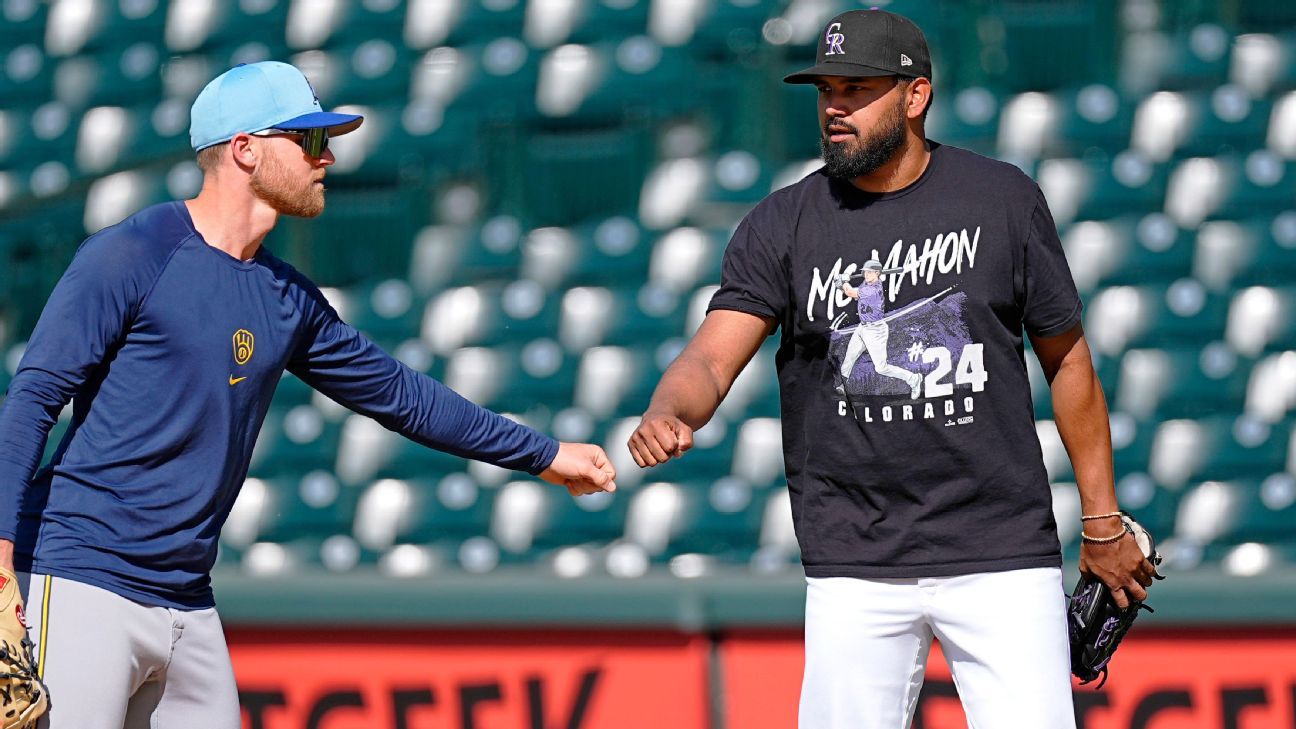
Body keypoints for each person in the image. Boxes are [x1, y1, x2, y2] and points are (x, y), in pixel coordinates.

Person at [0, 61, 616, 729]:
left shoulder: (284, 295)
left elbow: (402, 395)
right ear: (245, 149)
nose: (327, 157)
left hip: (188, 600)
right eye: (310, 141)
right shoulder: (134, 253)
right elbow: (34, 396)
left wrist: (544, 454)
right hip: (82, 572)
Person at [627, 9, 1155, 728]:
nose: (835, 107)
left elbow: (1069, 361)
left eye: (857, 88)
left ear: (915, 95)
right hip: (856, 561)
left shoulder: (1000, 200)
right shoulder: (783, 224)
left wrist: (1101, 520)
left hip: (998, 548)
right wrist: (671, 409)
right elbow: (710, 357)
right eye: (825, 91)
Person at [834, 258, 922, 400]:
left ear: (877, 274)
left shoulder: (873, 290)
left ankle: (913, 379)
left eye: (870, 272)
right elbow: (852, 291)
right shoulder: (867, 283)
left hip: (875, 331)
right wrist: (842, 285)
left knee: (881, 368)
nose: (866, 275)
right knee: (849, 357)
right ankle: (842, 385)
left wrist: (843, 282)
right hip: (862, 328)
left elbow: (851, 293)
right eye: (865, 272)